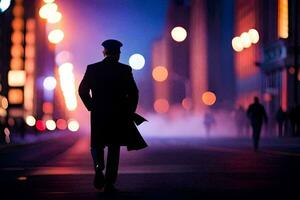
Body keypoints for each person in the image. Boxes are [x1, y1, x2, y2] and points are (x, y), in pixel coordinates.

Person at [78, 39, 147, 192]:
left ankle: (98, 168)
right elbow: (134, 93)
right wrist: (128, 110)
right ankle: (109, 183)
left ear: (104, 52)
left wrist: (92, 106)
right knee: (113, 148)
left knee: (97, 144)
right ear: (118, 54)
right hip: (118, 115)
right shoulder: (124, 70)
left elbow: (82, 90)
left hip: (98, 114)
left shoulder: (92, 69)